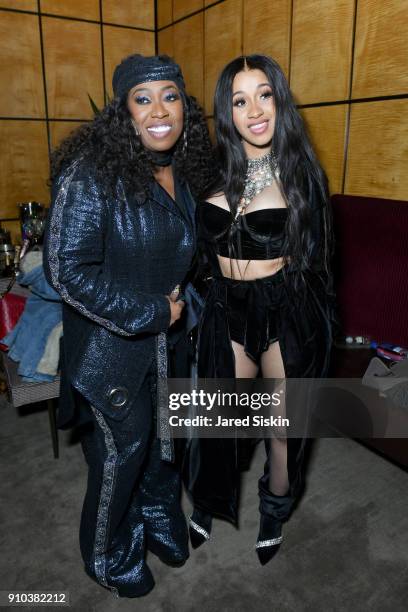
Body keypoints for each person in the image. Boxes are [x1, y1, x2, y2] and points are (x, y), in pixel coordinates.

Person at [43, 54, 213, 598]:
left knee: (170, 441)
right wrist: (151, 312)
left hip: (172, 346)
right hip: (112, 348)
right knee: (125, 452)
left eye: (171, 96)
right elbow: (65, 270)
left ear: (185, 106)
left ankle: (159, 518)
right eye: (144, 98)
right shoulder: (92, 172)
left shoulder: (185, 169)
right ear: (123, 111)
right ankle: (108, 554)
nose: (159, 110)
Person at [183, 55, 335, 565]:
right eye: (239, 99)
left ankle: (275, 505)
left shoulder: (301, 174)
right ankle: (207, 499)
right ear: (227, 111)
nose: (254, 110)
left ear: (279, 100)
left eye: (264, 94)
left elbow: (319, 260)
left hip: (283, 310)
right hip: (226, 307)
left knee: (280, 427)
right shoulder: (207, 169)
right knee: (217, 419)